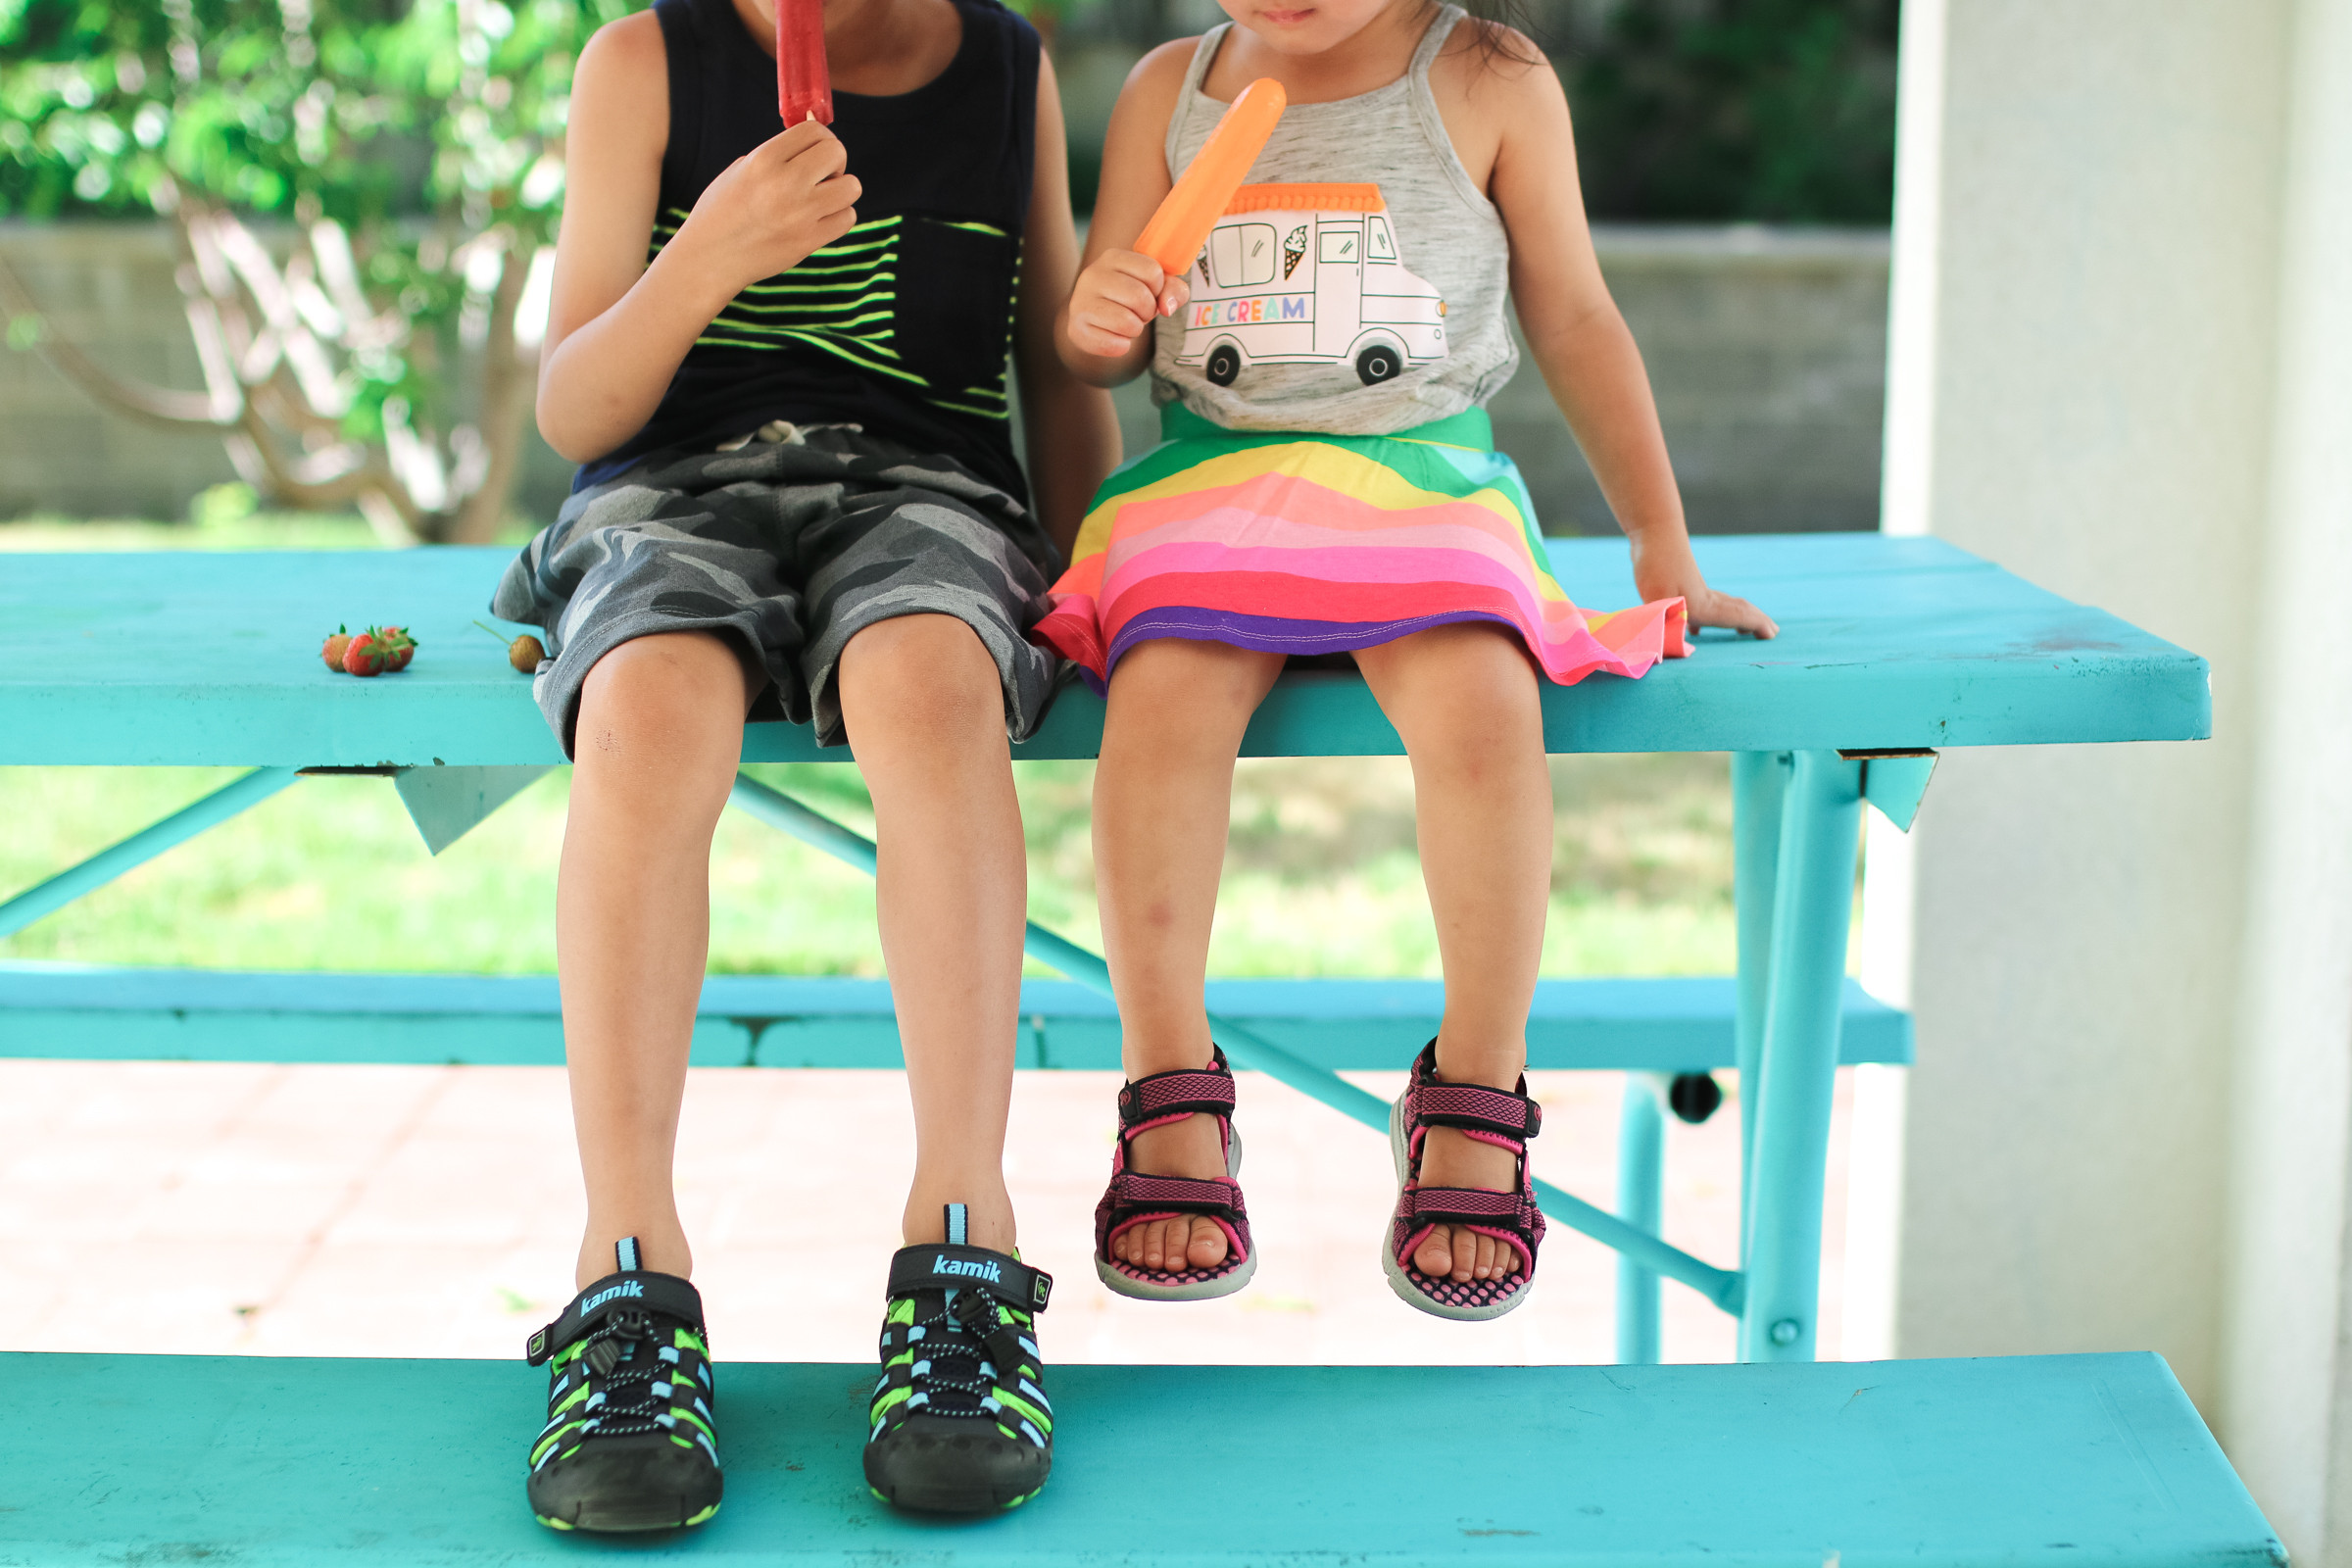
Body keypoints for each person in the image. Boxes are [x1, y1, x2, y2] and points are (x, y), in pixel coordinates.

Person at [1045, 0, 1775, 1320]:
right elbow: (1105, 343)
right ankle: (1168, 1086)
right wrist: (1098, 320)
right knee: (1158, 706)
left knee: (1487, 710)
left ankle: (1477, 1088)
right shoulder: (1171, 90)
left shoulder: (1490, 80)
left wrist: (1660, 545)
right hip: (1214, 481)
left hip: (1420, 479)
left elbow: (1576, 316)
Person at [490, 0, 1117, 1529]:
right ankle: (626, 1272)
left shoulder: (1006, 65)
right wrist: (706, 254)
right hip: (670, 490)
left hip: (926, 492)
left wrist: (1111, 576)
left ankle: (962, 1240)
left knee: (931, 683)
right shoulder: (642, 64)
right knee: (643, 707)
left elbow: (1052, 371)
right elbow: (575, 407)